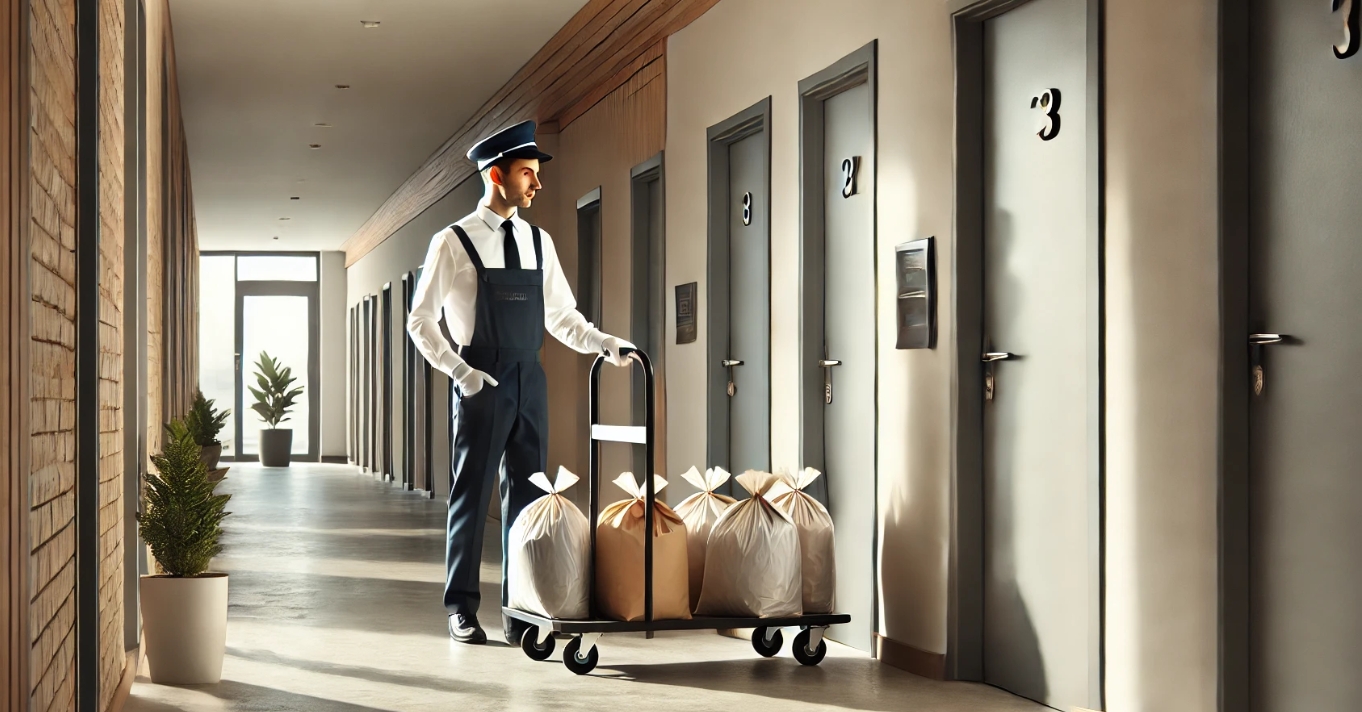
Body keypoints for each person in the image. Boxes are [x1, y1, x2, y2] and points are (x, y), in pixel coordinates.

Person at [406, 120, 632, 646]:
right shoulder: (453, 241)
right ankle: (461, 608)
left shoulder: (538, 242)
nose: (536, 184)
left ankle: (520, 609)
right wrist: (461, 373)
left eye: (535, 174)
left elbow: (562, 317)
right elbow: (420, 320)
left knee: (528, 502)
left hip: (532, 378)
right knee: (472, 493)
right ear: (495, 175)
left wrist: (605, 343)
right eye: (527, 173)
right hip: (481, 375)